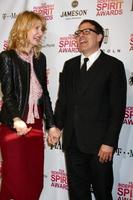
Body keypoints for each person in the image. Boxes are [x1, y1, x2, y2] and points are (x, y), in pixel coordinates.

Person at [48, 19, 127, 199]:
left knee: (102, 192)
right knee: (77, 193)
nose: (81, 36)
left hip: (100, 145)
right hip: (73, 142)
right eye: (78, 33)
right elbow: (63, 102)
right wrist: (56, 127)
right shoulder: (70, 65)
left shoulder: (113, 66)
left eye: (86, 32)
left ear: (100, 37)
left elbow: (118, 108)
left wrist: (109, 142)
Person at [0, 10, 59, 200]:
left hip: (34, 127)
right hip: (13, 126)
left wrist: (51, 125)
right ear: (24, 28)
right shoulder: (7, 57)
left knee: (34, 179)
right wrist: (16, 118)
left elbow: (45, 95)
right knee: (17, 179)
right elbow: (8, 94)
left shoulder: (40, 59)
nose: (40, 33)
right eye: (36, 28)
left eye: (42, 29)